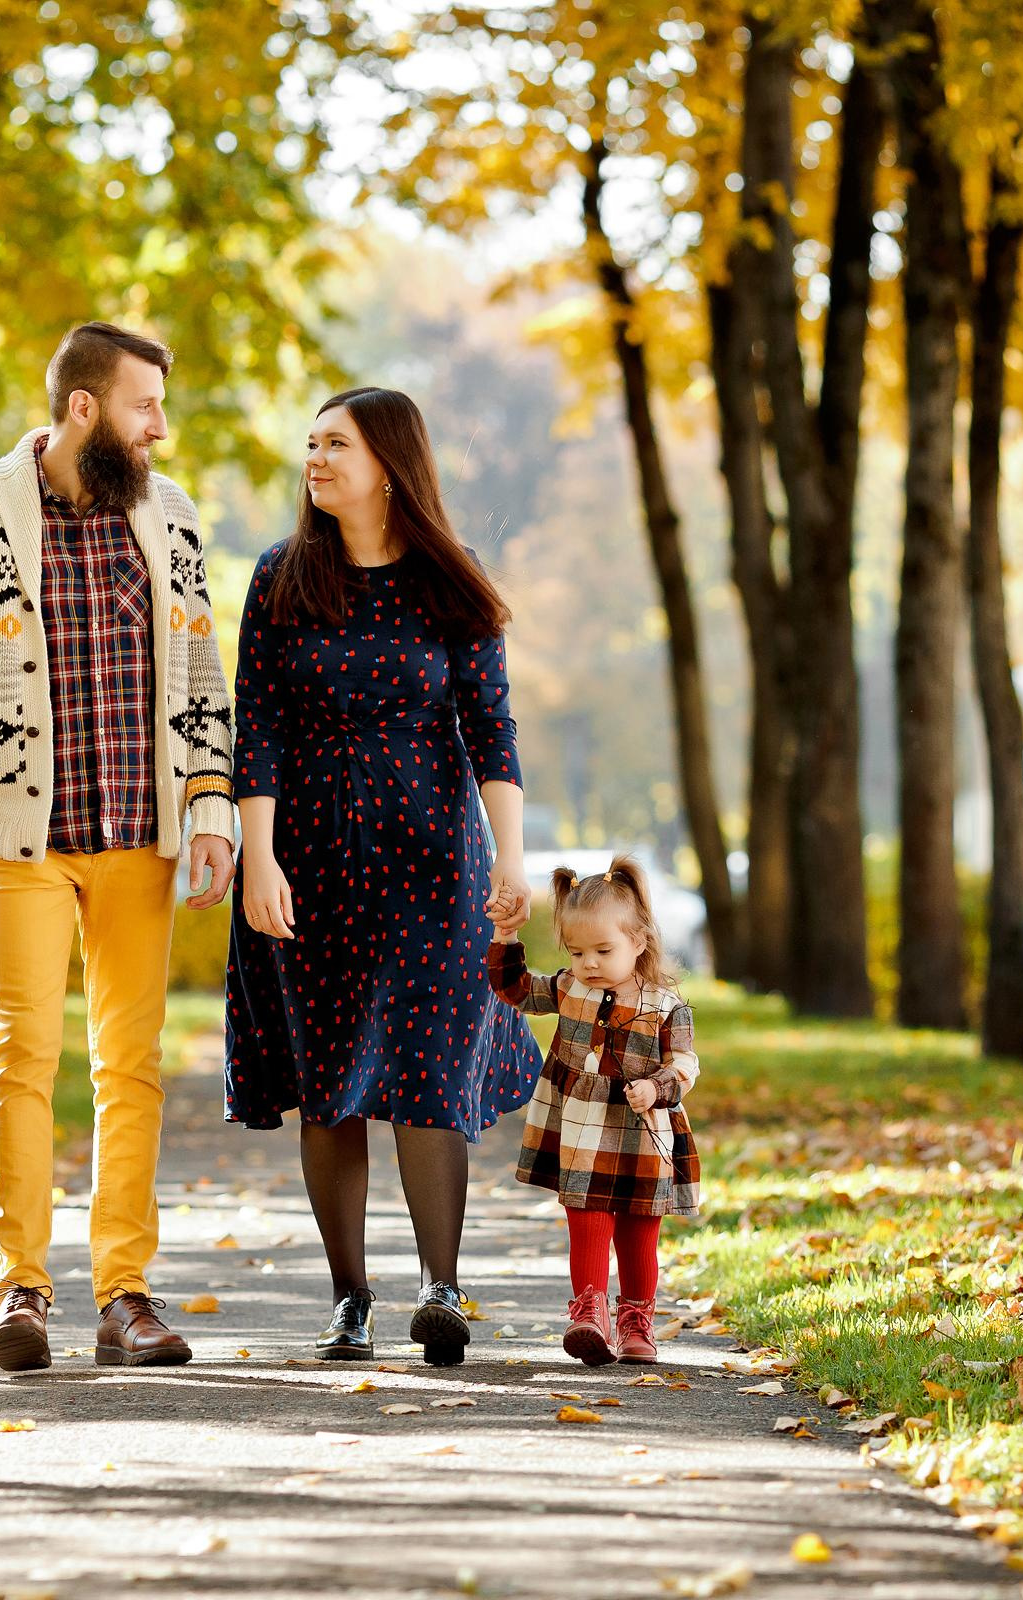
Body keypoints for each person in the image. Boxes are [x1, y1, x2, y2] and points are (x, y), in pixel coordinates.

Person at [0, 321, 237, 1371]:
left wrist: (213, 814)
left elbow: (203, 676)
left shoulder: (169, 516)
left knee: (129, 1066)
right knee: (22, 1057)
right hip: (20, 836)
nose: (159, 430)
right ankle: (22, 1290)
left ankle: (125, 1292)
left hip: (142, 835)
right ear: (84, 409)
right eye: (145, 408)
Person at [225, 385, 541, 1367]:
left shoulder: (450, 581)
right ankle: (350, 1298)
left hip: (432, 855)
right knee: (332, 1085)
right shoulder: (281, 575)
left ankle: (441, 1287)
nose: (313, 458)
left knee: (428, 1069)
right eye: (311, 442)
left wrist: (511, 855)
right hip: (310, 856)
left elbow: (491, 725)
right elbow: (260, 727)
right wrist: (259, 857)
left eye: (336, 444)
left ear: (390, 463)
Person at [487, 858, 702, 1366]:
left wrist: (657, 1087)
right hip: (582, 1132)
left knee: (637, 1233)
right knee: (585, 1220)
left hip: (643, 1137)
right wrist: (505, 935)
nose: (589, 963)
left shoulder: (666, 1007)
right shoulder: (569, 989)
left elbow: (686, 1065)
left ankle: (636, 1322)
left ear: (639, 943)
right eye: (578, 951)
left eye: (603, 951)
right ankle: (589, 1312)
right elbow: (514, 989)